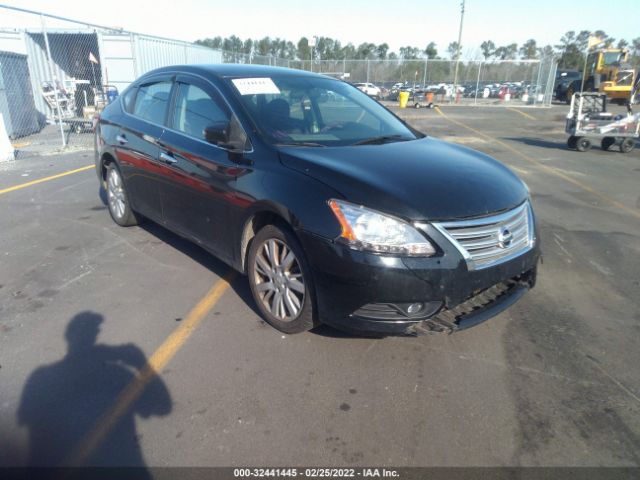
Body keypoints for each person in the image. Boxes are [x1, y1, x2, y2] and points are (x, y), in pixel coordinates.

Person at [17, 312, 171, 468]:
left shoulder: (40, 377)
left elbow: (25, 420)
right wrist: (141, 362)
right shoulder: (116, 375)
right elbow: (163, 406)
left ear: (69, 337)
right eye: (94, 331)